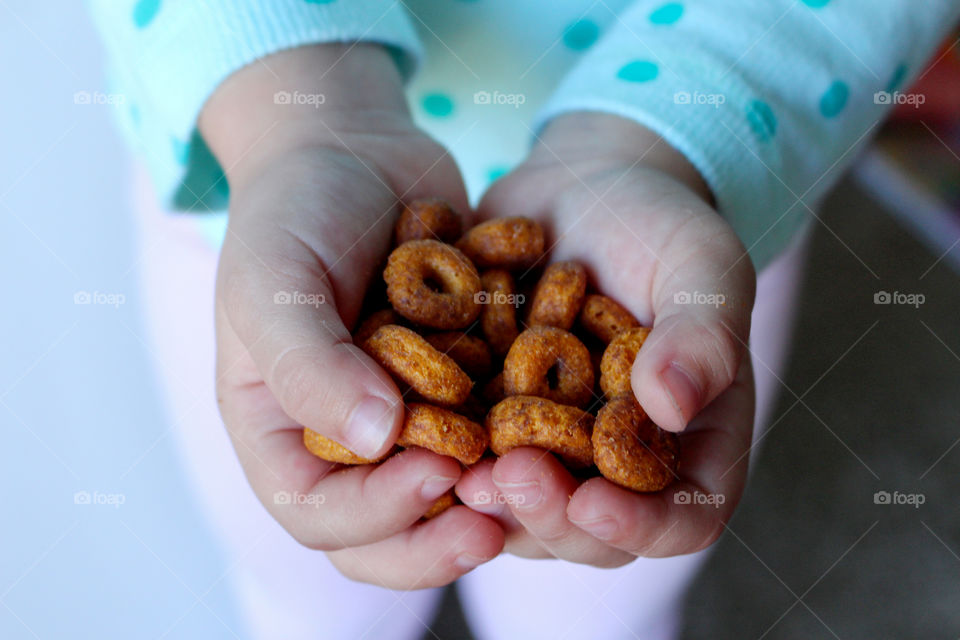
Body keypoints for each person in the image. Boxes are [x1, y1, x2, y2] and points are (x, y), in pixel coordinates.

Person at [89, 1, 959, 638]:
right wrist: (291, 111)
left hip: (692, 191)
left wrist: (672, 133)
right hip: (265, 184)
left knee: (605, 587)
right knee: (303, 573)